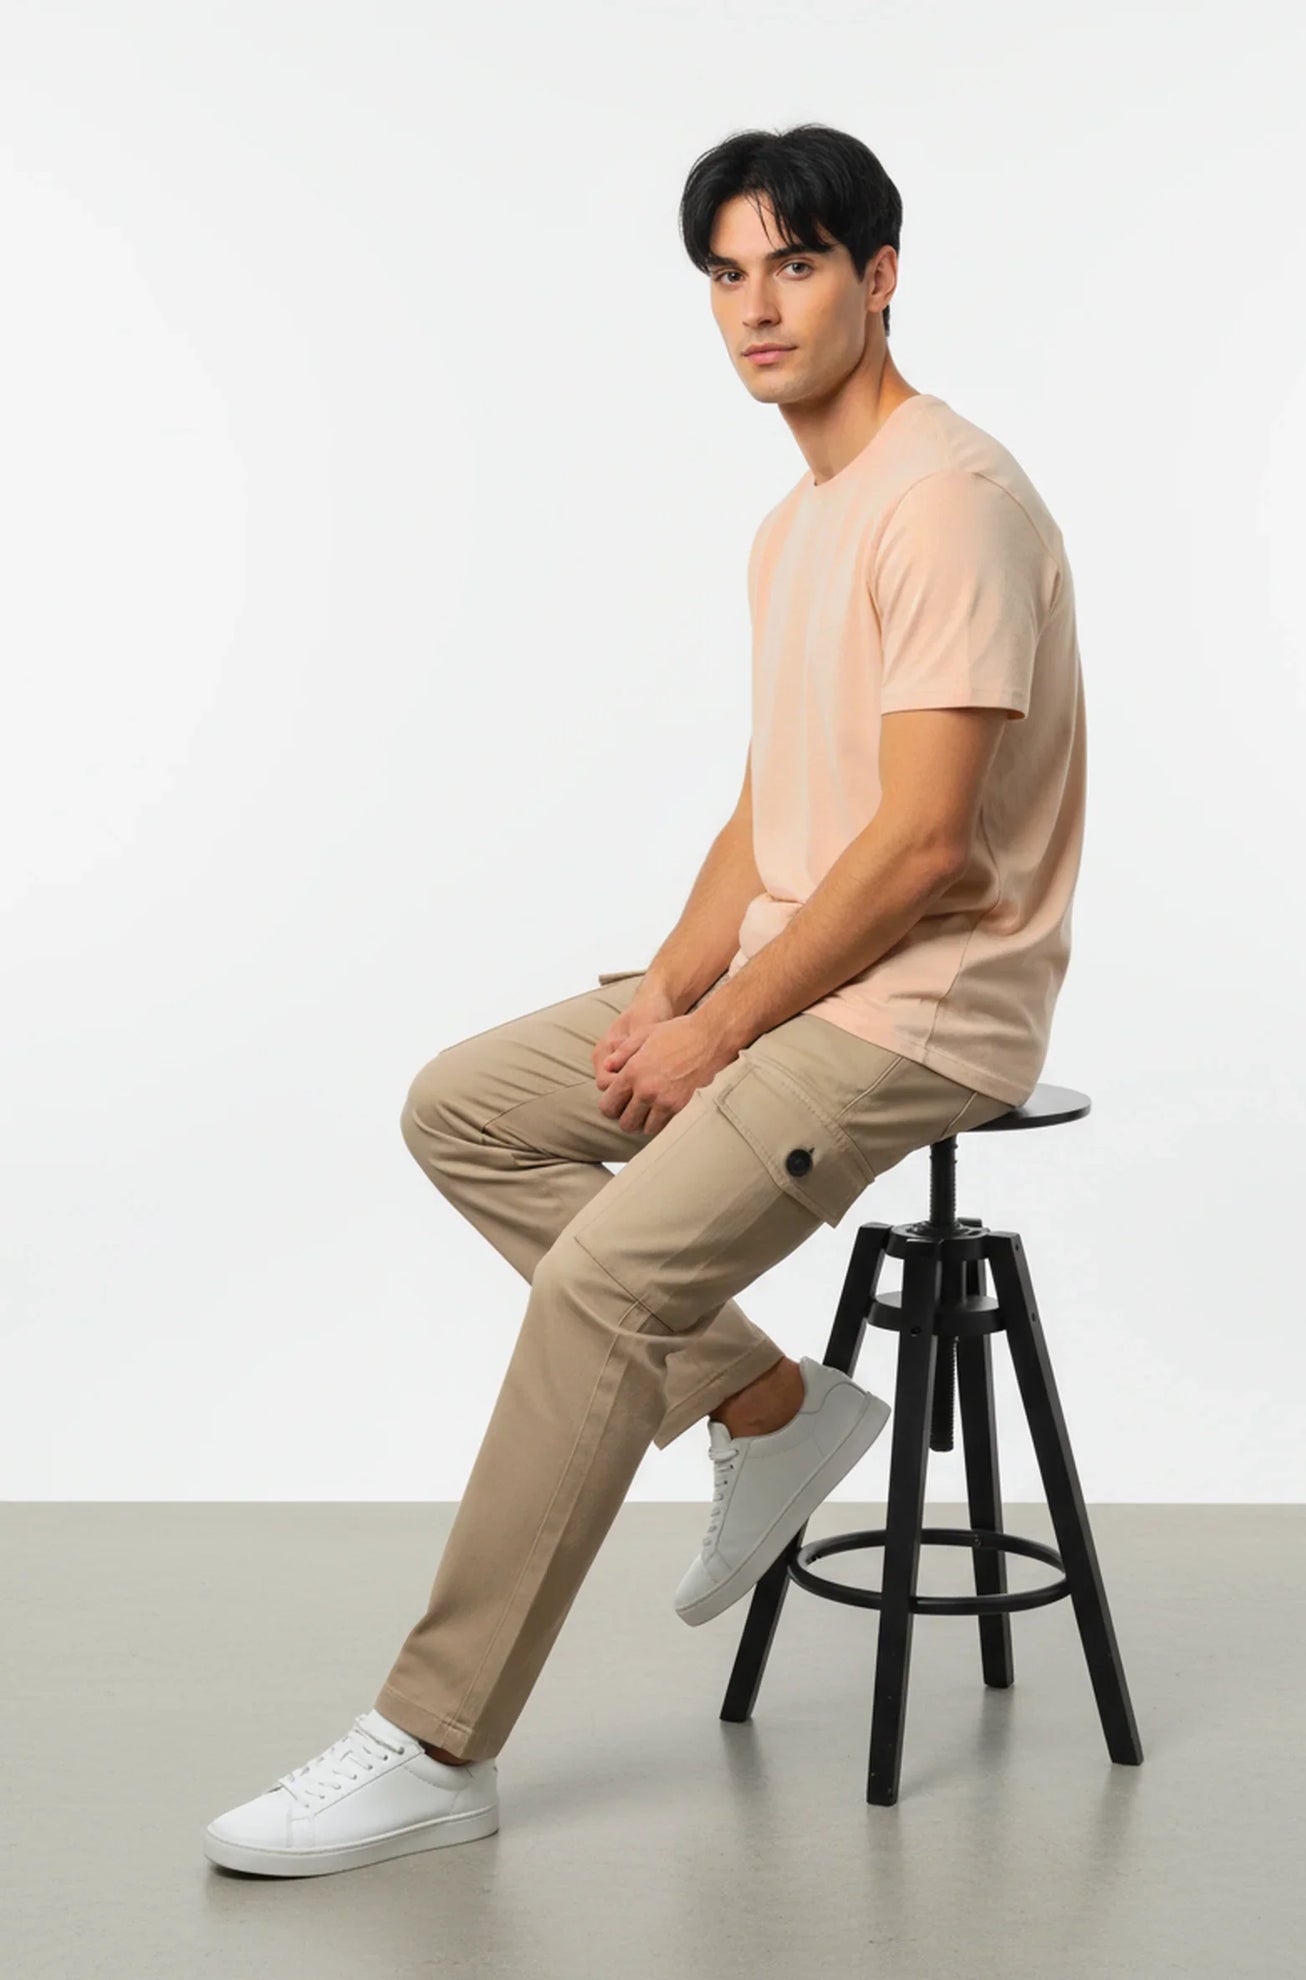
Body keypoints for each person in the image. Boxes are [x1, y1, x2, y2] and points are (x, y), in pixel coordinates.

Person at [203, 121, 1086, 1878]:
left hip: (922, 1011)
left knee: (603, 1281)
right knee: (461, 1105)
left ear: (881, 276)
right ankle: (768, 1408)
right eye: (728, 273)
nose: (757, 306)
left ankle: (433, 1742)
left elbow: (915, 853)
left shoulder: (952, 503)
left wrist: (726, 1025)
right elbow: (775, 813)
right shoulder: (797, 526)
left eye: (798, 264)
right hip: (797, 976)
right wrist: (669, 991)